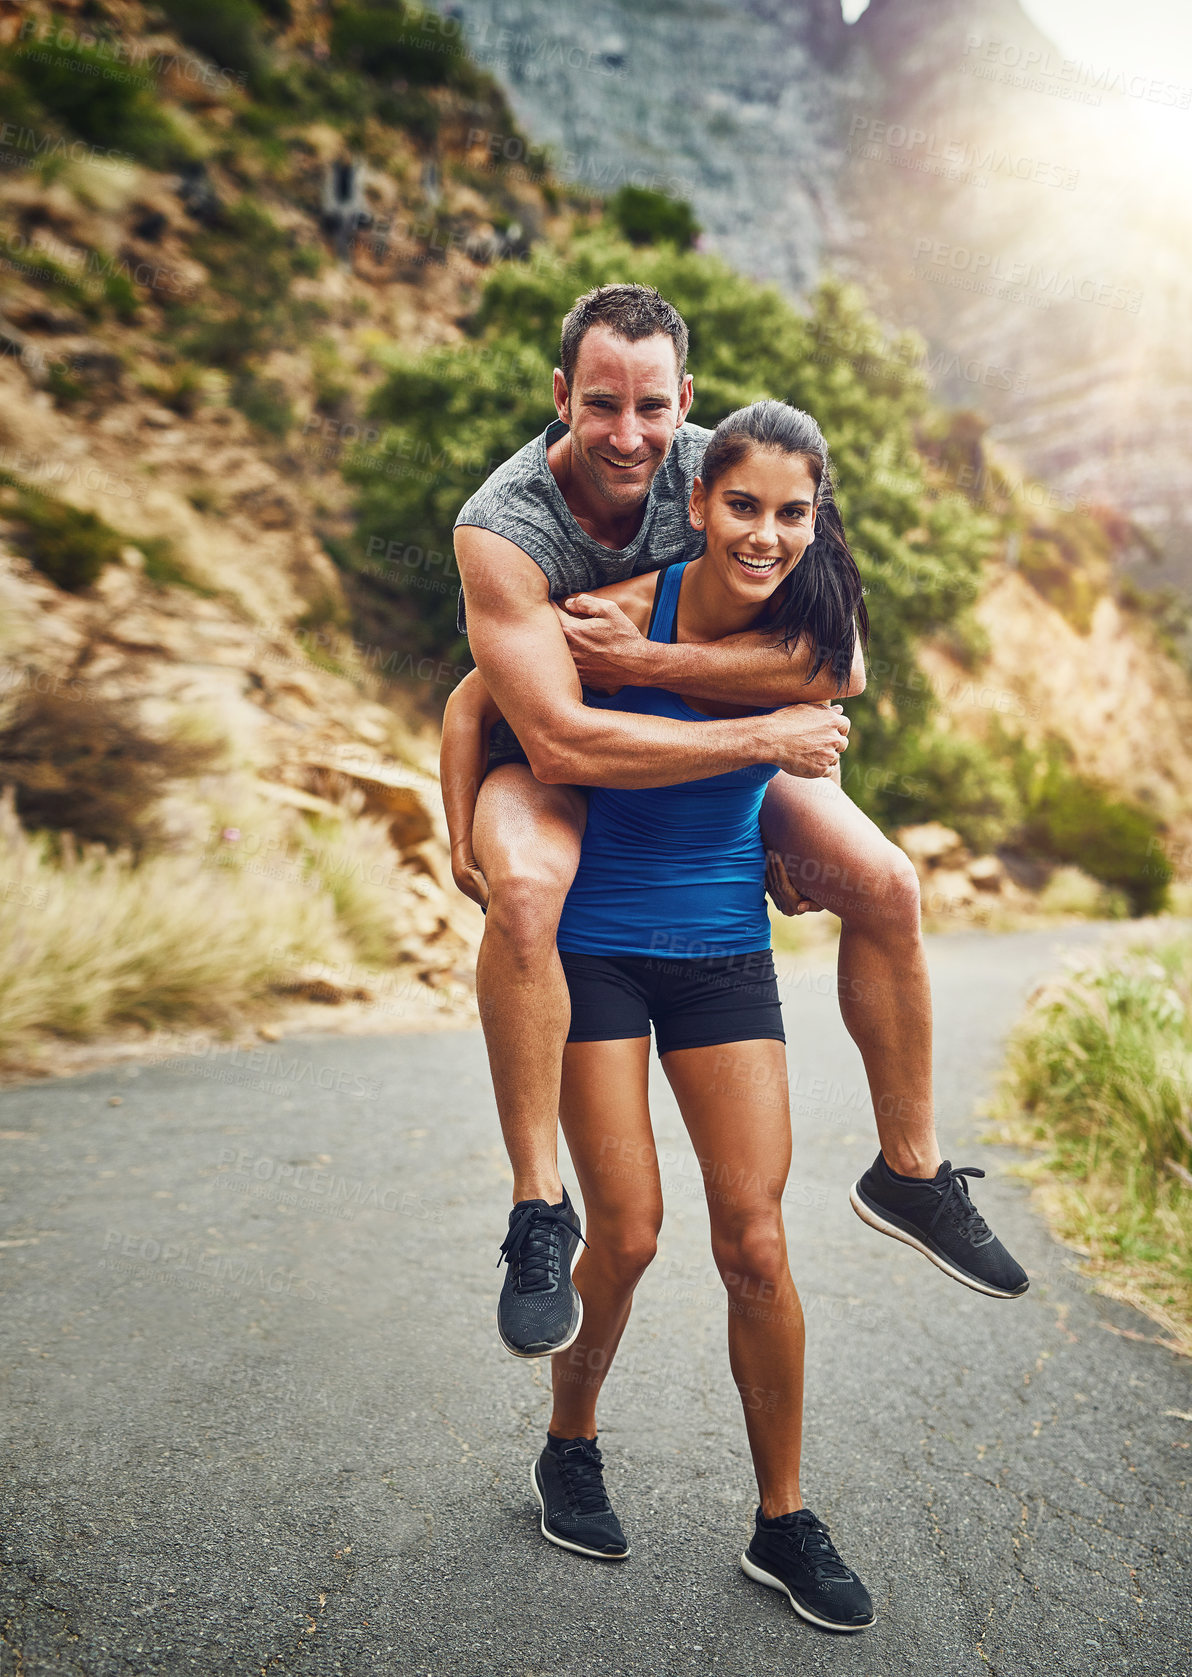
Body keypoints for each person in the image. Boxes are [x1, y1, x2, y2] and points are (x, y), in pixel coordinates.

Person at [447, 283, 1027, 1360]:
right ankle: (538, 1206)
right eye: (603, 405)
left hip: (703, 720)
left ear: (687, 402)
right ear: (562, 394)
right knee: (526, 889)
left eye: (654, 407)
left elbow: (839, 664)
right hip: (558, 747)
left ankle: (907, 1171)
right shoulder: (505, 525)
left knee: (886, 883)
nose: (631, 436)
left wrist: (667, 671)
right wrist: (761, 740)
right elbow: (548, 734)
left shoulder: (750, 469)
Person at [443, 401, 905, 1632]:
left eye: (789, 514)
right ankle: (571, 1441)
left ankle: (782, 1520)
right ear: (695, 500)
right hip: (596, 949)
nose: (761, 533)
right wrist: (458, 835)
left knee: (754, 1245)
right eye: (740, 507)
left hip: (723, 959)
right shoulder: (603, 613)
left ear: (814, 522)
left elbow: (838, 683)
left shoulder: (809, 621)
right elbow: (475, 700)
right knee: (632, 1234)